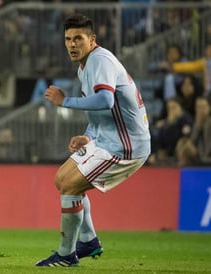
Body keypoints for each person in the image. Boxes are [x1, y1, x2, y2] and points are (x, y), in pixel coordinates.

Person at [36, 14, 151, 267]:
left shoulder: (100, 59)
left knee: (70, 187)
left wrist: (64, 101)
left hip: (125, 146)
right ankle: (87, 240)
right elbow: (102, 109)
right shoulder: (85, 66)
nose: (72, 44)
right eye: (68, 39)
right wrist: (89, 135)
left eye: (78, 38)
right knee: (62, 179)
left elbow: (105, 100)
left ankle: (66, 255)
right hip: (106, 139)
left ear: (92, 39)